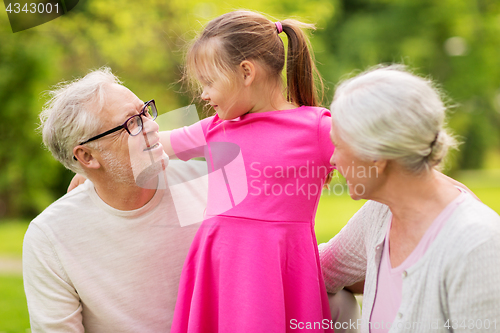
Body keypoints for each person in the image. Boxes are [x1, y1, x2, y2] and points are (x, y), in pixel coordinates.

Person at [159, 10, 336, 333]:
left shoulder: (317, 129)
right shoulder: (215, 128)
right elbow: (153, 148)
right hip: (218, 270)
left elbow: (383, 160)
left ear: (246, 72)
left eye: (209, 82)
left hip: (280, 273)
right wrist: (96, 169)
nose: (203, 94)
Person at [23, 68, 208, 332]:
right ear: (87, 157)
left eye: (145, 112)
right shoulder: (50, 237)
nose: (153, 125)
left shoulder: (209, 184)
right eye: (131, 123)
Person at [319, 65, 500, 333]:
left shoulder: (476, 243)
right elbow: (319, 271)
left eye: (339, 146)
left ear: (376, 157)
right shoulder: (380, 214)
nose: (333, 160)